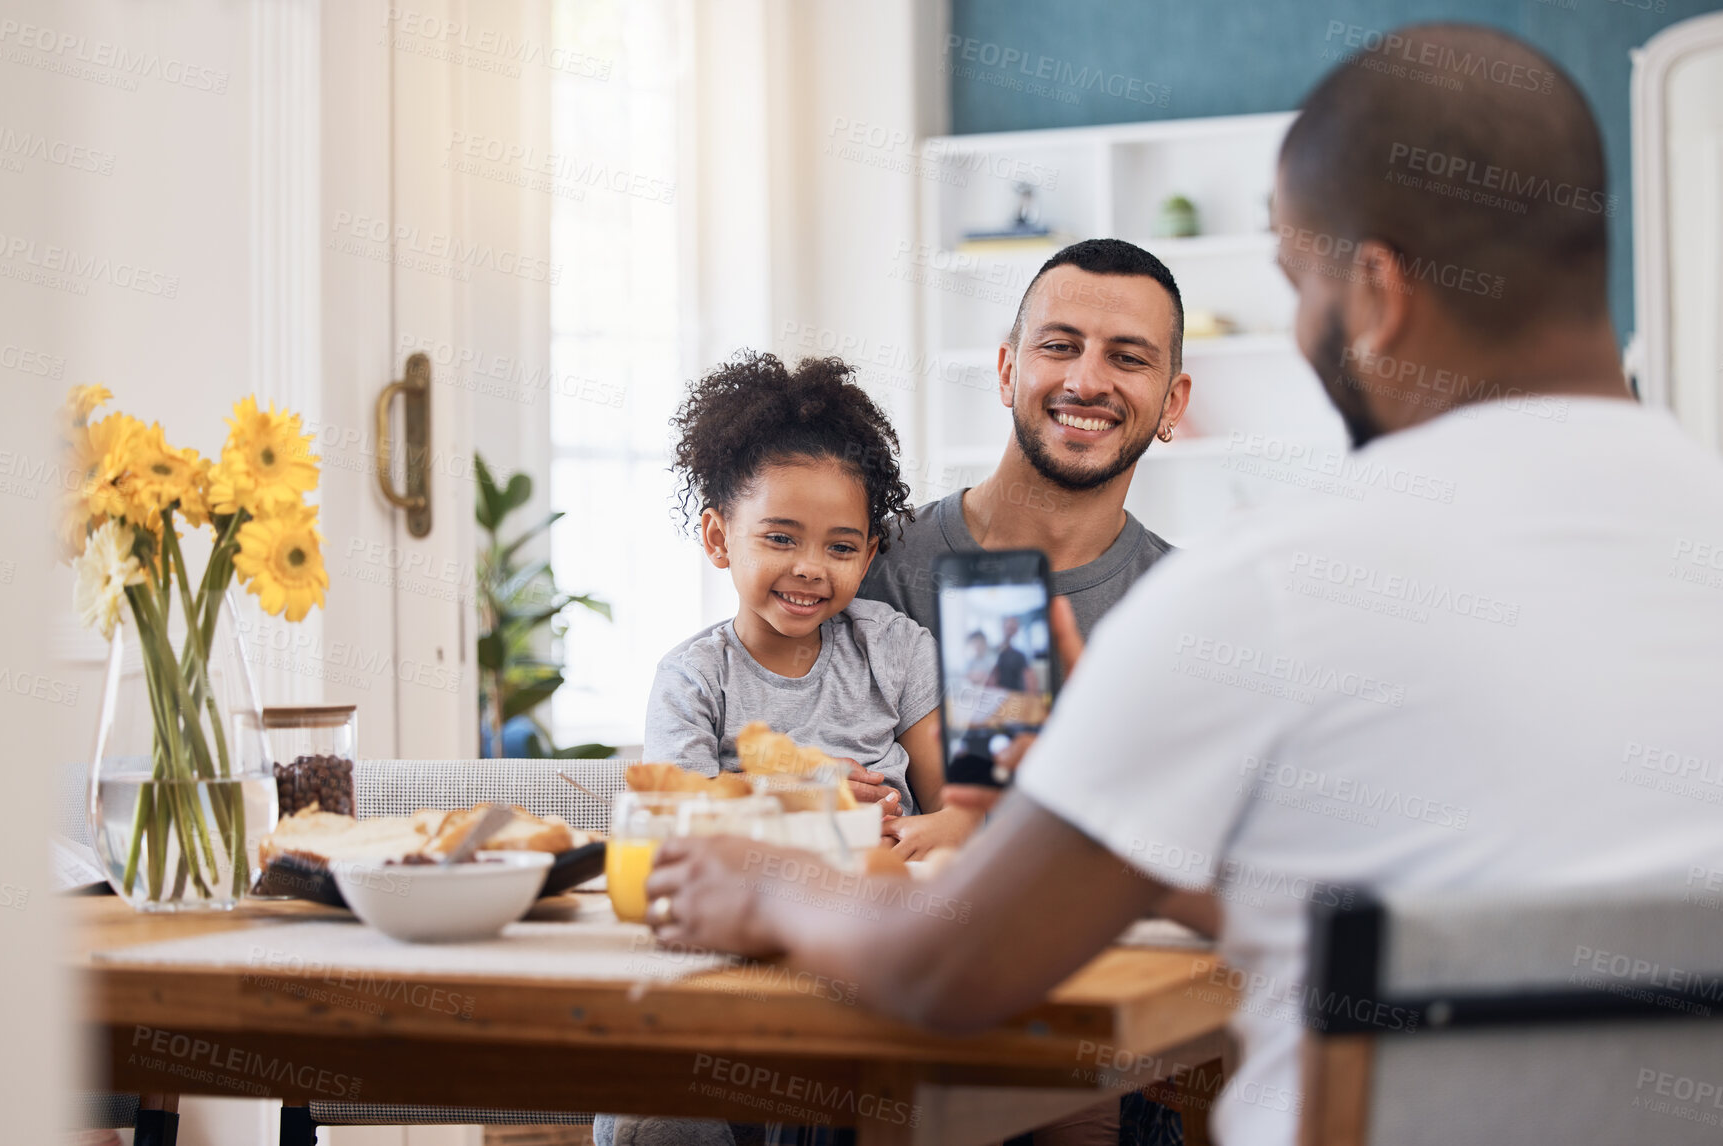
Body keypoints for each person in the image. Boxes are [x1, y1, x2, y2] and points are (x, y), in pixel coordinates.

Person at [638, 24, 1723, 1146]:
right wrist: (1122, 841)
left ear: (1379, 294)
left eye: (1301, 285)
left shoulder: (1267, 593)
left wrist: (765, 883)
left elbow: (951, 967)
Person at [856, 238, 1192, 869]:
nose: (1087, 380)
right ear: (1008, 371)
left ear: (1172, 402)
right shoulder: (866, 565)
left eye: (1127, 357)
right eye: (1059, 346)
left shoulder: (1195, 610)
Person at [639, 350, 943, 817]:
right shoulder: (693, 680)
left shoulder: (894, 649)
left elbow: (958, 811)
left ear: (865, 558)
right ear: (719, 539)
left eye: (840, 548)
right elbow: (673, 822)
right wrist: (793, 793)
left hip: (896, 883)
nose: (810, 568)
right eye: (781, 538)